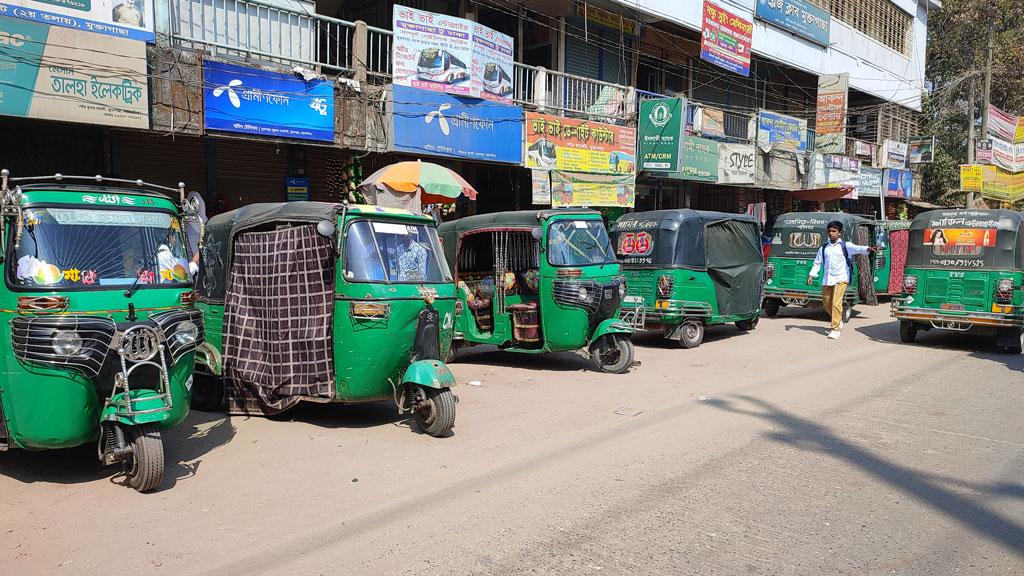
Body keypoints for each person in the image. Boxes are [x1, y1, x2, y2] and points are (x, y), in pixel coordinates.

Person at [806, 220, 877, 340]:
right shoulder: (824, 248)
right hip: (827, 279)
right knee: (826, 304)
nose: (831, 233)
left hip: (841, 278)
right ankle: (838, 320)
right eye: (829, 231)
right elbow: (817, 262)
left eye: (834, 231)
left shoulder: (846, 246)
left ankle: (835, 329)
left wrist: (868, 248)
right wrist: (812, 275)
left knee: (836, 303)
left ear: (840, 233)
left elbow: (858, 248)